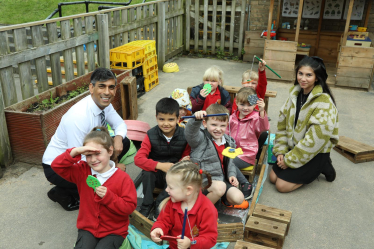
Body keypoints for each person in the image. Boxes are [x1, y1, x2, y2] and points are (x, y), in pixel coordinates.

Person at [43, 68, 130, 211]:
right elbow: (80, 159)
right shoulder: (78, 117)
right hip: (58, 165)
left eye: (111, 87)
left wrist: (118, 139)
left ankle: (76, 187)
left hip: (90, 151)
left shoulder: (104, 103)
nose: (107, 92)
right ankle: (61, 192)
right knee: (101, 192)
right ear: (91, 88)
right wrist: (111, 169)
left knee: (123, 142)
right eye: (102, 86)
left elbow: (120, 124)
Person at [51, 126, 137, 249]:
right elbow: (56, 166)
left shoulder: (123, 178)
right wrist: (75, 151)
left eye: (97, 154)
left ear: (110, 151)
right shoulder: (82, 171)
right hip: (88, 228)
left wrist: (109, 197)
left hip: (114, 231)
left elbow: (129, 207)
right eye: (88, 155)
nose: (93, 159)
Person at [270, 56, 339, 193]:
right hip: (296, 147)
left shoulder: (324, 102)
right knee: (272, 178)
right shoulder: (294, 95)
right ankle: (312, 167)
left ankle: (323, 164)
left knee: (281, 186)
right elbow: (282, 125)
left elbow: (316, 139)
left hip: (315, 150)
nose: (303, 78)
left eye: (309, 75)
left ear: (317, 77)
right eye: (300, 73)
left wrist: (289, 160)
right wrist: (281, 151)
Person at [134, 98, 191, 221]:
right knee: (147, 172)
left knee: (178, 176)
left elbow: (186, 155)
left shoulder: (185, 135)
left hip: (174, 174)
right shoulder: (151, 134)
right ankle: (147, 204)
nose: (166, 123)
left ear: (178, 119)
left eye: (171, 119)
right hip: (156, 173)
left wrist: (182, 162)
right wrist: (160, 165)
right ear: (156, 118)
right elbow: (138, 159)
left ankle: (159, 203)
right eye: (161, 119)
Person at [185, 104, 248, 209]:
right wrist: (196, 120)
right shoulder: (200, 139)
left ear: (227, 124)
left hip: (221, 180)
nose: (218, 129)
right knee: (220, 188)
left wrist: (232, 174)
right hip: (203, 181)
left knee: (238, 198)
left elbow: (230, 161)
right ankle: (199, 211)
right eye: (214, 124)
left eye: (222, 125)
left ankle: (220, 199)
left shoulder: (229, 141)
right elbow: (190, 133)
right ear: (205, 123)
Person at [150, 161, 218, 249]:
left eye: (170, 187)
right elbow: (163, 221)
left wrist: (190, 243)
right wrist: (158, 228)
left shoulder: (208, 209)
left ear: (188, 190)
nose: (166, 190)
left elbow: (210, 238)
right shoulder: (171, 203)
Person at [227, 87, 270, 199]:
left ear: (255, 104)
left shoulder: (256, 118)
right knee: (222, 159)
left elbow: (264, 127)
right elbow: (226, 133)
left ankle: (245, 183)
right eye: (242, 104)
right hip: (232, 151)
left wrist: (261, 111)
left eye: (249, 105)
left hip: (247, 154)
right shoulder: (232, 117)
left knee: (228, 162)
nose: (245, 108)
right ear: (236, 103)